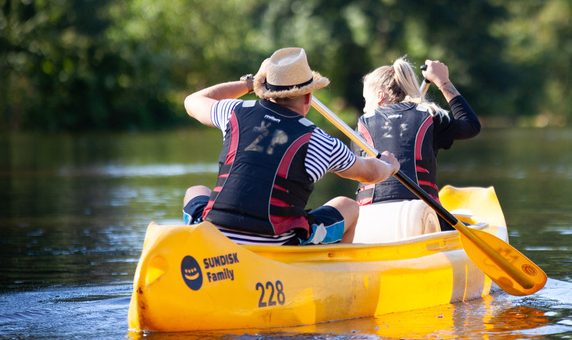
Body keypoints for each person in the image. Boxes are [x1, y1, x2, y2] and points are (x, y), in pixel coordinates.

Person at [182, 47, 400, 245]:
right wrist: (389, 165)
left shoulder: (233, 112)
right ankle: (333, 273)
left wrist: (250, 83)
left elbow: (192, 101)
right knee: (348, 206)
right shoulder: (321, 141)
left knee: (196, 191)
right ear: (308, 97)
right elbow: (370, 172)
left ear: (266, 90)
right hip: (277, 243)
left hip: (216, 234)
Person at [353, 57, 481, 230]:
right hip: (424, 213)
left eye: (365, 99)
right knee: (472, 227)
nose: (364, 108)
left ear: (380, 96)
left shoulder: (361, 126)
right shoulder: (430, 115)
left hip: (371, 218)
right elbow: (471, 126)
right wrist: (443, 81)